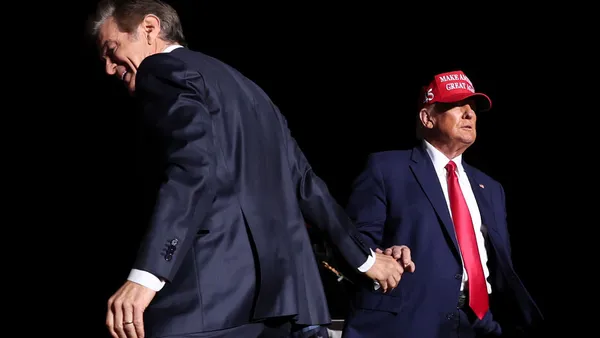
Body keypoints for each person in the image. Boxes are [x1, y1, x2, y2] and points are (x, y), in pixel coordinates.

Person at [87, 1, 412, 337]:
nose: (109, 69)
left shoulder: (160, 70)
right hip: (286, 303)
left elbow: (193, 170)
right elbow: (306, 185)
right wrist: (368, 261)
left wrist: (147, 275)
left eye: (112, 50)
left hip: (209, 303)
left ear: (150, 29)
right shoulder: (251, 90)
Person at [341, 70, 544, 337]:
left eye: (472, 109)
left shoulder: (491, 188)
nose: (469, 114)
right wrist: (384, 252)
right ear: (427, 117)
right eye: (458, 106)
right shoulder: (386, 168)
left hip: (479, 324)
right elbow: (353, 240)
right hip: (409, 321)